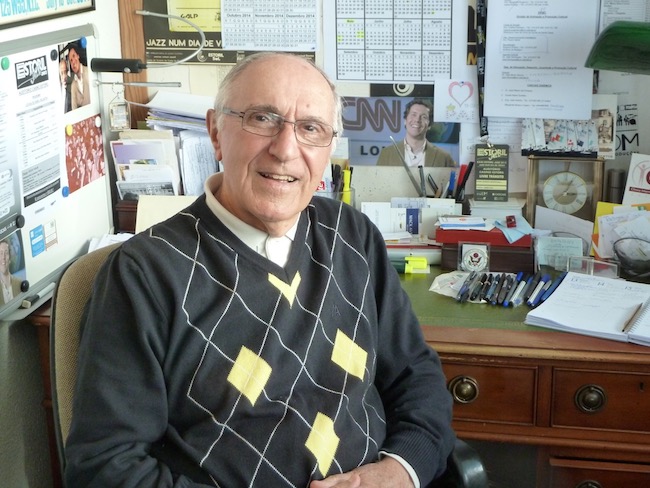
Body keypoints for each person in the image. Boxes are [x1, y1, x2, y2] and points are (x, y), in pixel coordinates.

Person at [65, 52, 455, 487]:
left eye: (310, 128)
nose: (286, 149)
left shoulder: (352, 236)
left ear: (327, 148)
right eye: (263, 118)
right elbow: (105, 466)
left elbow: (415, 375)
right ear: (216, 131)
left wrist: (401, 471)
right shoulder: (145, 275)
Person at [376, 99, 456, 167]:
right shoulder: (386, 154)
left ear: (429, 125)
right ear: (405, 120)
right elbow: (376, 183)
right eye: (413, 115)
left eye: (424, 117)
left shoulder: (444, 158)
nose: (417, 120)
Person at [0, 238, 23, 306]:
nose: (3, 257)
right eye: (0, 253)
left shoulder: (19, 283)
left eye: (6, 253)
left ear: (9, 258)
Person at [68, 44, 90, 110]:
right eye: (71, 60)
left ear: (78, 56)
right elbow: (73, 108)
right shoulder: (73, 85)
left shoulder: (89, 72)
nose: (73, 62)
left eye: (74, 56)